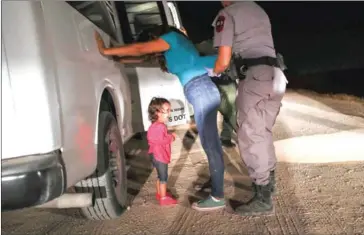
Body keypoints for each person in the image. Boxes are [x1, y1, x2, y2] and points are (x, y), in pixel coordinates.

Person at [95, 25, 226, 211]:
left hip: (201, 89)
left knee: (211, 144)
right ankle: (216, 186)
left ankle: (218, 195)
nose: (151, 44)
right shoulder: (174, 47)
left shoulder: (172, 38)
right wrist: (115, 57)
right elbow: (141, 55)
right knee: (210, 143)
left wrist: (105, 50)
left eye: (151, 40)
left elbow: (140, 49)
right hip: (199, 90)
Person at [211, 1, 288, 216]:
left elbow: (223, 60)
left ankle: (263, 198)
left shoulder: (227, 13)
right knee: (263, 132)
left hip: (255, 76)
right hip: (276, 75)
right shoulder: (257, 9)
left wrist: (214, 71)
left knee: (250, 136)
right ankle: (269, 185)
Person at [195, 41, 238, 148]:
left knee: (231, 109)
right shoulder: (203, 45)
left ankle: (225, 137)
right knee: (219, 111)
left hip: (227, 81)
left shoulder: (229, 44)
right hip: (212, 82)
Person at [146, 97, 178, 206]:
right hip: (160, 156)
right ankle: (163, 198)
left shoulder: (153, 126)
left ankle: (160, 194)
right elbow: (161, 140)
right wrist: (171, 137)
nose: (168, 114)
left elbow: (153, 139)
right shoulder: (160, 126)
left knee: (159, 176)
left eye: (169, 110)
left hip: (154, 155)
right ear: (157, 112)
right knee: (163, 177)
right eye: (166, 111)